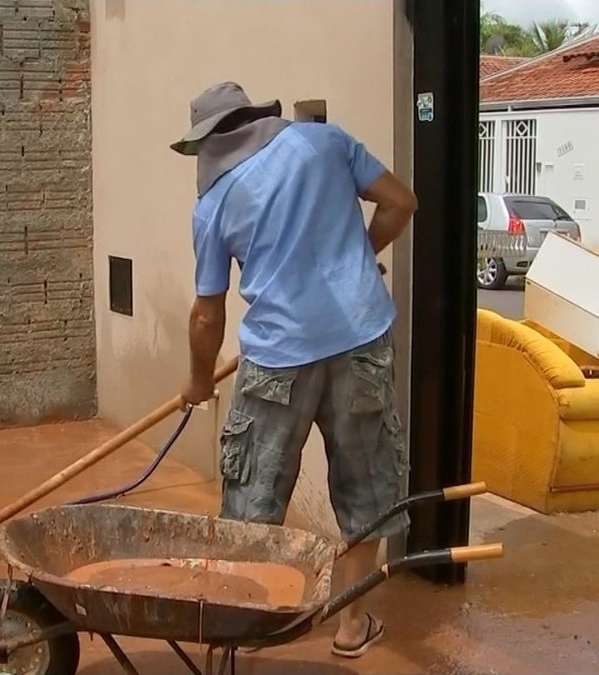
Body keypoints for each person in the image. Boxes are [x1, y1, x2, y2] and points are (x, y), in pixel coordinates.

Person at [173, 82, 418, 659]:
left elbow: (208, 314)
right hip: (361, 340)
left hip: (277, 358)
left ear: (208, 142)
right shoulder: (325, 143)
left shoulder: (213, 204)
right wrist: (360, 252)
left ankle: (252, 627)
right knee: (367, 490)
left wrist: (198, 380)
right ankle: (352, 626)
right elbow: (401, 202)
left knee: (253, 501)